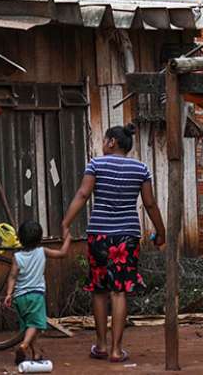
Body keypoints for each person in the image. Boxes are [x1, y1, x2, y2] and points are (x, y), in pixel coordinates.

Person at [61, 123, 166, 363]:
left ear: (112, 142)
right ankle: (117, 350)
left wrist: (66, 222)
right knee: (119, 292)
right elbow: (150, 204)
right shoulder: (141, 169)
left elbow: (82, 194)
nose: (103, 144)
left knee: (99, 290)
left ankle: (100, 345)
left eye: (104, 140)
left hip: (99, 234)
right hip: (127, 236)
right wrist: (161, 232)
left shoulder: (96, 164)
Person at [5, 220, 71, 365]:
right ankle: (24, 346)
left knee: (30, 326)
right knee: (35, 325)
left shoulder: (17, 257)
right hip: (36, 295)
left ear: (20, 239)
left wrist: (9, 294)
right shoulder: (42, 251)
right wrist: (67, 239)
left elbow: (12, 276)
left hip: (19, 297)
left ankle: (36, 354)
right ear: (40, 239)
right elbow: (62, 253)